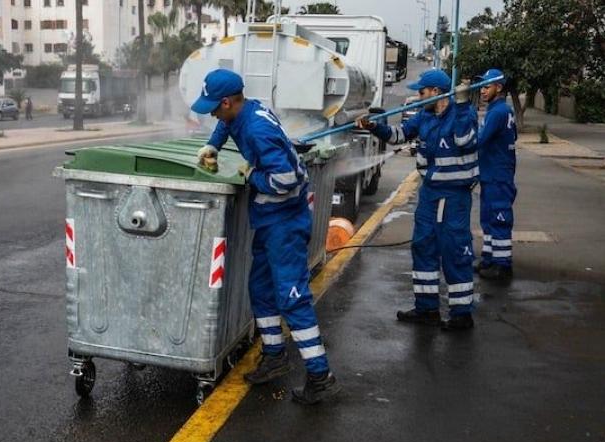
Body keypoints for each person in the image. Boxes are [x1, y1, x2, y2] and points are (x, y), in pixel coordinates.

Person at [192, 68, 340, 405]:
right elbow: (226, 125)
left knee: (292, 297)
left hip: (285, 222)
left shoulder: (257, 129)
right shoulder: (246, 109)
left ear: (228, 101)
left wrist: (251, 175)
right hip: (270, 218)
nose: (213, 112)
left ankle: (321, 375)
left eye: (215, 106)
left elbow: (286, 178)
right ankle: (274, 356)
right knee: (259, 287)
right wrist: (211, 145)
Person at [356, 69, 479, 331]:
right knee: (423, 246)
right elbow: (399, 135)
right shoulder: (425, 115)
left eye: (422, 92)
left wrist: (462, 104)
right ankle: (426, 308)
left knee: (454, 250)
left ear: (436, 92)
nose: (419, 97)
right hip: (430, 192)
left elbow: (464, 140)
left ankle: (461, 313)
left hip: (453, 195)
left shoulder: (462, 114)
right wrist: (374, 126)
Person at [474, 69, 518, 280]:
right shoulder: (500, 110)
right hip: (492, 173)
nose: (482, 91)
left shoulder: (498, 112)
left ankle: (502, 264)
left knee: (499, 218)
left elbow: (480, 140)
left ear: (498, 88)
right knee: (488, 218)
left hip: (497, 174)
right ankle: (489, 258)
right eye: (481, 86)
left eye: (486, 86)